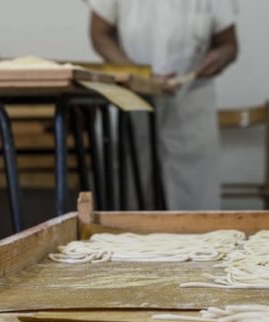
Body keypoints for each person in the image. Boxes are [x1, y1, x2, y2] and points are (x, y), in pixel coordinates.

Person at [88, 0, 238, 210]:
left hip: (190, 98)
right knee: (129, 189)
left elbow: (229, 44)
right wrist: (137, 74)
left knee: (194, 195)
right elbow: (99, 34)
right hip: (133, 97)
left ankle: (198, 241)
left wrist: (220, 57)